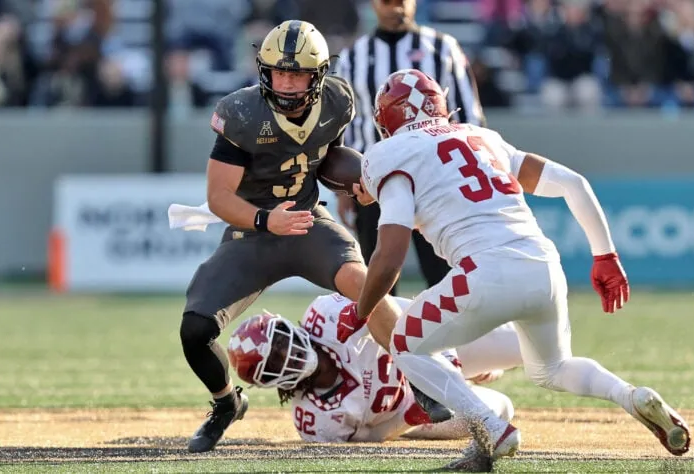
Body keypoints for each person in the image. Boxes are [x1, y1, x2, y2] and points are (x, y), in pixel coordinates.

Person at [344, 69, 691, 469]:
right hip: (543, 265)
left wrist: (363, 309)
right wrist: (605, 255)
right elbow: (573, 183)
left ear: (387, 120)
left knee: (405, 343)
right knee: (553, 369)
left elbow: (390, 254)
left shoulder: (390, 153)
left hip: (484, 272)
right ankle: (631, 395)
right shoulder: (480, 136)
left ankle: (490, 427)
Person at [177, 21, 446, 453]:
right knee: (195, 330)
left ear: (318, 75)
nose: (285, 83)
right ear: (263, 71)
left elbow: (323, 157)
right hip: (253, 232)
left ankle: (422, 379)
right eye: (278, 72)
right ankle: (226, 403)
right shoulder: (242, 113)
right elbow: (218, 197)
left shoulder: (338, 100)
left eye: (297, 74)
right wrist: (266, 220)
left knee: (368, 286)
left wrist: (359, 178)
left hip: (306, 222)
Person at [335, 0, 485, 294]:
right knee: (378, 285)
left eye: (401, 1)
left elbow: (469, 118)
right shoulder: (353, 57)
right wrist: (344, 189)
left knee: (447, 280)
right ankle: (382, 341)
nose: (396, 8)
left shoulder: (443, 48)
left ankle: (451, 341)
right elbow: (345, 125)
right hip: (374, 184)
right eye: (388, 1)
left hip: (436, 179)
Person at [227, 293, 523, 442]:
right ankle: (465, 387)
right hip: (410, 408)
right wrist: (411, 416)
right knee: (500, 411)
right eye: (274, 362)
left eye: (279, 342)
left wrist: (447, 363)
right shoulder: (314, 420)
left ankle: (466, 377)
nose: (286, 354)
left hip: (431, 342)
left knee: (522, 344)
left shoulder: (325, 315)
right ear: (268, 380)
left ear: (285, 327)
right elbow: (375, 438)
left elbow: (397, 309)